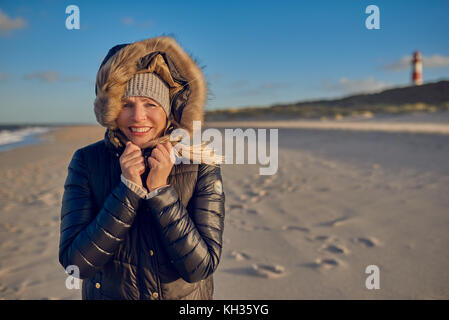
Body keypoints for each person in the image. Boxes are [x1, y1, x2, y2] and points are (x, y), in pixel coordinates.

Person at [59, 36, 226, 300]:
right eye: (127, 104)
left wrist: (161, 192)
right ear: (111, 109)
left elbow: (200, 268)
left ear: (170, 110)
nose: (138, 117)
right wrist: (128, 190)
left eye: (151, 104)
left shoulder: (200, 165)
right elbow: (76, 264)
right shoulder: (87, 162)